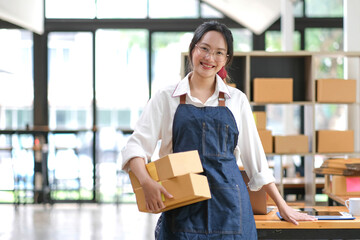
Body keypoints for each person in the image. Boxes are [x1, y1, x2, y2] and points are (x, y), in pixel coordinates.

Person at [121, 21, 316, 239]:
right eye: (204, 48)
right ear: (193, 49)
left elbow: (256, 160)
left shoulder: (236, 100)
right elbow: (135, 147)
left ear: (226, 59)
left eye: (219, 52)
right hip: (181, 211)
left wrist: (282, 205)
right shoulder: (167, 98)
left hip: (231, 212)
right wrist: (146, 182)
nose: (209, 58)